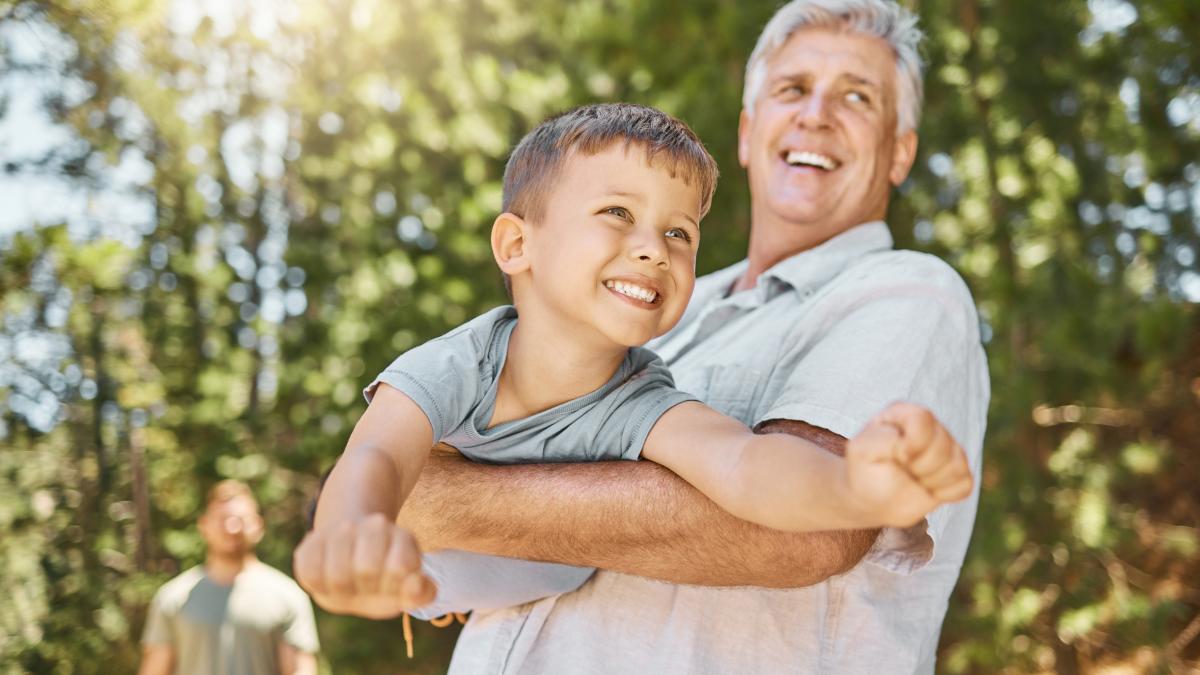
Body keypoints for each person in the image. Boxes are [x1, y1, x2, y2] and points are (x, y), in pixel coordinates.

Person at [390, 1, 991, 673]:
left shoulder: (906, 290)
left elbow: (802, 532)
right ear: (747, 131)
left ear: (900, 150)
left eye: (857, 96)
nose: (815, 114)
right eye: (792, 89)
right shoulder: (647, 301)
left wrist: (442, 496)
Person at [293, 103, 973, 629]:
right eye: (617, 212)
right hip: (432, 593)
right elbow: (378, 455)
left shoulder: (639, 397)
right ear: (516, 244)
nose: (654, 248)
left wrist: (860, 487)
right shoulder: (465, 360)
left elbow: (746, 465)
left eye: (680, 232)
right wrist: (350, 532)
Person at [139, 480, 320, 675]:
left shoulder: (287, 595)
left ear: (258, 525)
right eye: (222, 518)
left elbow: (300, 670)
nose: (232, 527)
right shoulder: (173, 598)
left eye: (241, 519)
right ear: (204, 525)